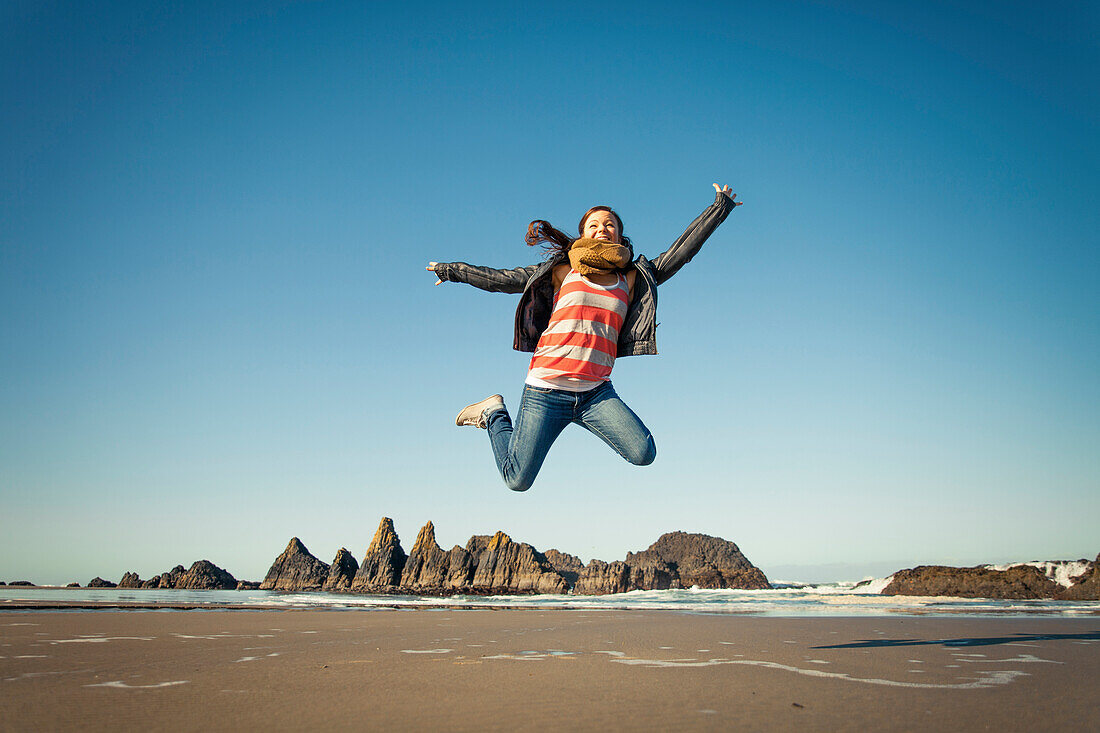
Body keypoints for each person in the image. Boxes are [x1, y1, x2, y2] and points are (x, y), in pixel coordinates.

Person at [427, 184, 741, 492]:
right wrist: (450, 270)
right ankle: (493, 413)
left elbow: (682, 252)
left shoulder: (632, 277)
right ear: (583, 234)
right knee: (517, 480)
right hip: (546, 389)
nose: (602, 228)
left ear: (619, 235)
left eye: (610, 225)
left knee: (643, 453)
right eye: (594, 224)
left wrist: (720, 207)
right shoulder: (562, 272)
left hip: (595, 393)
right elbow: (503, 279)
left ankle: (506, 413)